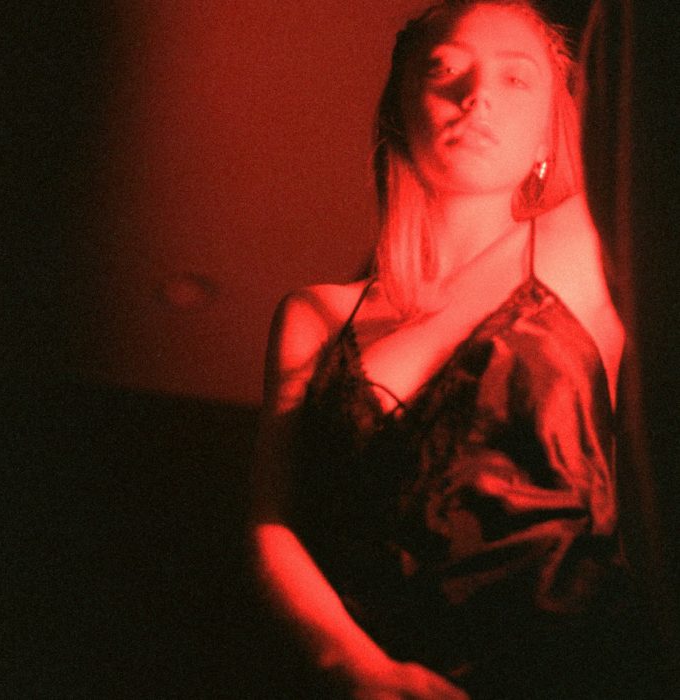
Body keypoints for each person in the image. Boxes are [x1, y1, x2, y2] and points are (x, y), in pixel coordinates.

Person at [250, 2, 644, 697]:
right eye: (443, 70)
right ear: (401, 109)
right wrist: (358, 667)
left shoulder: (584, 245)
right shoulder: (317, 314)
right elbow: (272, 519)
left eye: (515, 78)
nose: (477, 94)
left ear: (549, 127)